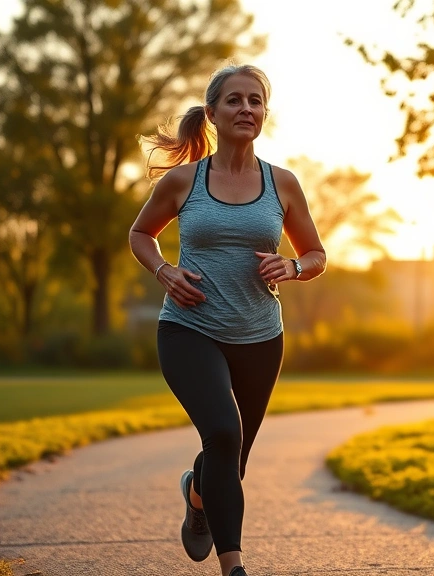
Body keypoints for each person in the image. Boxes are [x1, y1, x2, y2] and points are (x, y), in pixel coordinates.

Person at [128, 64, 325, 576]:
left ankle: (198, 495)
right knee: (222, 432)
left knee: (231, 458)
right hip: (189, 329)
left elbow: (316, 254)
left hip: (260, 337)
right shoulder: (184, 181)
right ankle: (233, 567)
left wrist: (293, 267)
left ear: (264, 114)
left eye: (255, 101)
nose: (246, 109)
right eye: (234, 100)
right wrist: (164, 271)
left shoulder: (282, 183)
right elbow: (140, 234)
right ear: (212, 113)